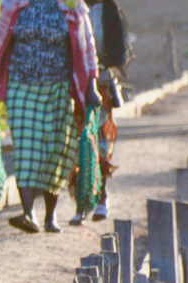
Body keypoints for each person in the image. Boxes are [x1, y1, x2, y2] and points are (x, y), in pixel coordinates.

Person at [0, 0, 101, 233]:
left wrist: (92, 85)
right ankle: (29, 213)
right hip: (21, 88)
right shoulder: (15, 5)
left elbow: (88, 47)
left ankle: (50, 216)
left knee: (55, 152)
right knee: (26, 150)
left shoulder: (71, 6)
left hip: (58, 88)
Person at [71, 0, 132, 225]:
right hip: (75, 85)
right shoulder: (70, 8)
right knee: (78, 142)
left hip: (103, 85)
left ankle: (101, 196)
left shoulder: (109, 10)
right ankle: (82, 199)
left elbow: (119, 53)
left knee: (101, 142)